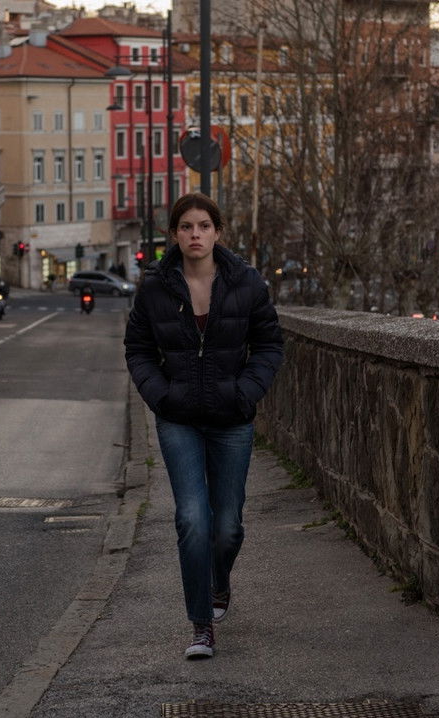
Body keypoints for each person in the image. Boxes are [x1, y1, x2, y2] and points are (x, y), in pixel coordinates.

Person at [123, 192, 283, 660]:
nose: (195, 235)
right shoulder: (156, 287)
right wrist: (161, 395)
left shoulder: (247, 283)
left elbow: (270, 346)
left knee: (228, 526)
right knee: (193, 519)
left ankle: (219, 583)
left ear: (217, 232)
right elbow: (138, 350)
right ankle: (200, 625)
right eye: (187, 227)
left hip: (232, 418)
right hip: (179, 421)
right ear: (174, 234)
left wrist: (245, 391)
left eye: (204, 226)